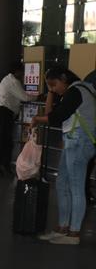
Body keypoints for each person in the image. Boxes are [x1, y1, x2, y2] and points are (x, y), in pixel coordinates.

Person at [32, 67, 96, 244]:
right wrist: (51, 92)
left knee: (75, 187)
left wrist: (36, 119)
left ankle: (73, 233)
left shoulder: (76, 91)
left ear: (63, 78)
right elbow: (51, 113)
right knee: (62, 183)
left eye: (54, 84)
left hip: (79, 142)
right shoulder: (81, 89)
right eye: (50, 86)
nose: (53, 89)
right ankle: (63, 227)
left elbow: (55, 116)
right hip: (75, 141)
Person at [0, 63, 39, 176]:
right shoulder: (13, 81)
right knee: (4, 142)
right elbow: (25, 97)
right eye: (22, 72)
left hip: (0, 112)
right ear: (17, 71)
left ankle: (2, 166)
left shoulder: (7, 79)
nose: (23, 75)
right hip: (4, 114)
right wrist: (38, 96)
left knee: (5, 142)